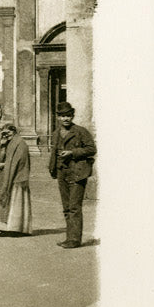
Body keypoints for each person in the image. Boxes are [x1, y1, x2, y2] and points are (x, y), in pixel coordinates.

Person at [49, 103, 97, 248]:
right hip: (62, 172)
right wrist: (53, 169)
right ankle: (69, 237)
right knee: (66, 207)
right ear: (58, 117)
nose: (66, 118)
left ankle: (75, 240)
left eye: (69, 115)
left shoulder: (81, 131)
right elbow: (54, 153)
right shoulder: (56, 133)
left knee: (74, 207)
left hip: (78, 173)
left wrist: (72, 152)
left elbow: (91, 149)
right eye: (63, 116)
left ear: (72, 116)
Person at [0, 122, 33, 236]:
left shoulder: (20, 143)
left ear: (14, 132)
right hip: (4, 176)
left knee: (15, 202)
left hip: (16, 177)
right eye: (4, 133)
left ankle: (15, 228)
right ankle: (2, 227)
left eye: (8, 133)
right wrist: (1, 145)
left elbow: (19, 161)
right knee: (2, 202)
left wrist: (6, 165)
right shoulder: (6, 143)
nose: (6, 135)